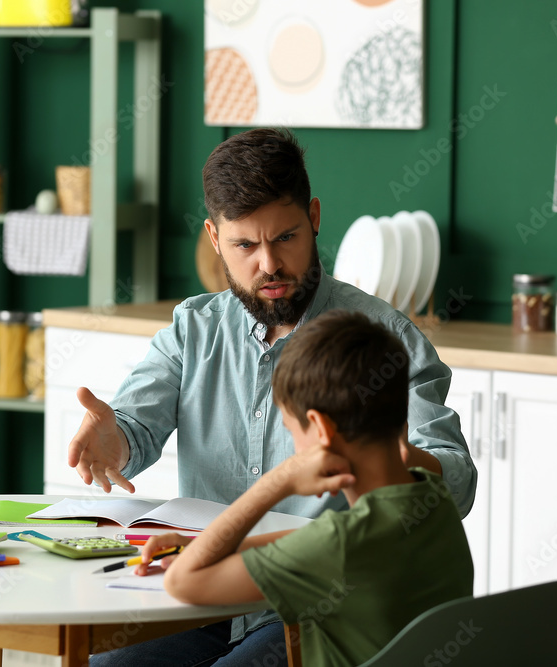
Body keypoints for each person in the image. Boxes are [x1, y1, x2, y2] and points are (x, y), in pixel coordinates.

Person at [70, 128, 476, 665]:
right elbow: (134, 429)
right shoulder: (193, 327)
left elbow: (457, 479)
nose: (269, 265)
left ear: (313, 217)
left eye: (285, 238)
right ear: (215, 239)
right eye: (245, 245)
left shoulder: (382, 335)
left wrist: (382, 456)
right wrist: (113, 440)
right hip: (214, 589)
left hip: (315, 607)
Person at [136, 310, 474, 666]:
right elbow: (302, 546)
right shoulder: (432, 501)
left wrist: (275, 483)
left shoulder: (337, 546)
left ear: (320, 429)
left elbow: (182, 584)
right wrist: (199, 545)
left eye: (292, 430)